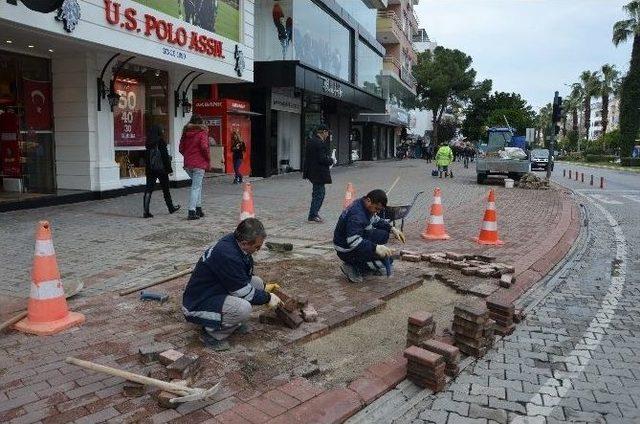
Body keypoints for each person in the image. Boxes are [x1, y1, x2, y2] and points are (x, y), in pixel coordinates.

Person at [182, 218, 282, 351]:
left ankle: (230, 322)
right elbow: (244, 292)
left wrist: (264, 288)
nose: (258, 250)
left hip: (215, 290)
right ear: (245, 243)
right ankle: (212, 333)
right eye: (257, 247)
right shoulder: (228, 255)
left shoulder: (235, 243)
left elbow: (242, 277)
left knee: (257, 283)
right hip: (198, 303)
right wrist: (268, 298)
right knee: (244, 309)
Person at [334, 189, 406, 284]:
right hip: (345, 249)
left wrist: (391, 228)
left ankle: (364, 262)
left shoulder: (364, 204)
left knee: (383, 235)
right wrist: (375, 247)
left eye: (379, 210)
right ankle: (352, 266)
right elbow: (353, 242)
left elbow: (376, 220)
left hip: (353, 240)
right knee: (385, 261)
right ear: (368, 200)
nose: (377, 212)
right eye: (376, 208)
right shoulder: (357, 215)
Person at [142, 124, 180, 218]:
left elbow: (146, 158)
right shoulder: (160, 141)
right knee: (166, 190)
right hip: (161, 169)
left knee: (148, 189)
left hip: (150, 169)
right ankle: (170, 208)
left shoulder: (148, 142)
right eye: (161, 130)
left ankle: (146, 211)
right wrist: (169, 169)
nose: (163, 131)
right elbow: (164, 157)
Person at [179, 115, 210, 220]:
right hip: (199, 164)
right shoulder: (202, 132)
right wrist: (207, 159)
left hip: (188, 164)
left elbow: (181, 148)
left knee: (198, 185)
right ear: (201, 123)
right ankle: (191, 211)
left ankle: (198, 208)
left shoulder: (185, 132)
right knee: (196, 187)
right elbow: (204, 147)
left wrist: (188, 156)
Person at [303, 124, 334, 223]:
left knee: (317, 193)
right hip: (318, 173)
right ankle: (313, 215)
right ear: (324, 132)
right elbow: (322, 159)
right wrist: (331, 160)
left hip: (311, 172)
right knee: (319, 194)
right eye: (327, 133)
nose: (328, 135)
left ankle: (313, 214)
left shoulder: (311, 141)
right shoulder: (319, 143)